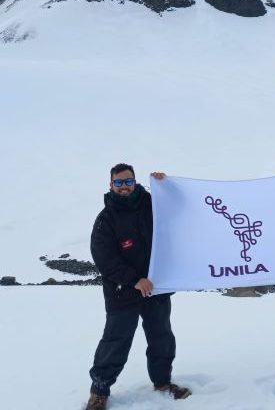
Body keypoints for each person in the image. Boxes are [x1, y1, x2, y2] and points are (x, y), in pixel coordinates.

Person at [86, 164, 191, 410]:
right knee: (116, 341)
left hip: (156, 288)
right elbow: (104, 259)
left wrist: (167, 186)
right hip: (123, 291)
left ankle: (163, 383)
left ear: (135, 182)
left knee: (161, 337)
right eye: (119, 183)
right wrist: (134, 279)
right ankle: (99, 391)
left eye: (128, 181)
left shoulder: (153, 205)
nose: (124, 187)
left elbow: (182, 209)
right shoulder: (105, 219)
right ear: (111, 185)